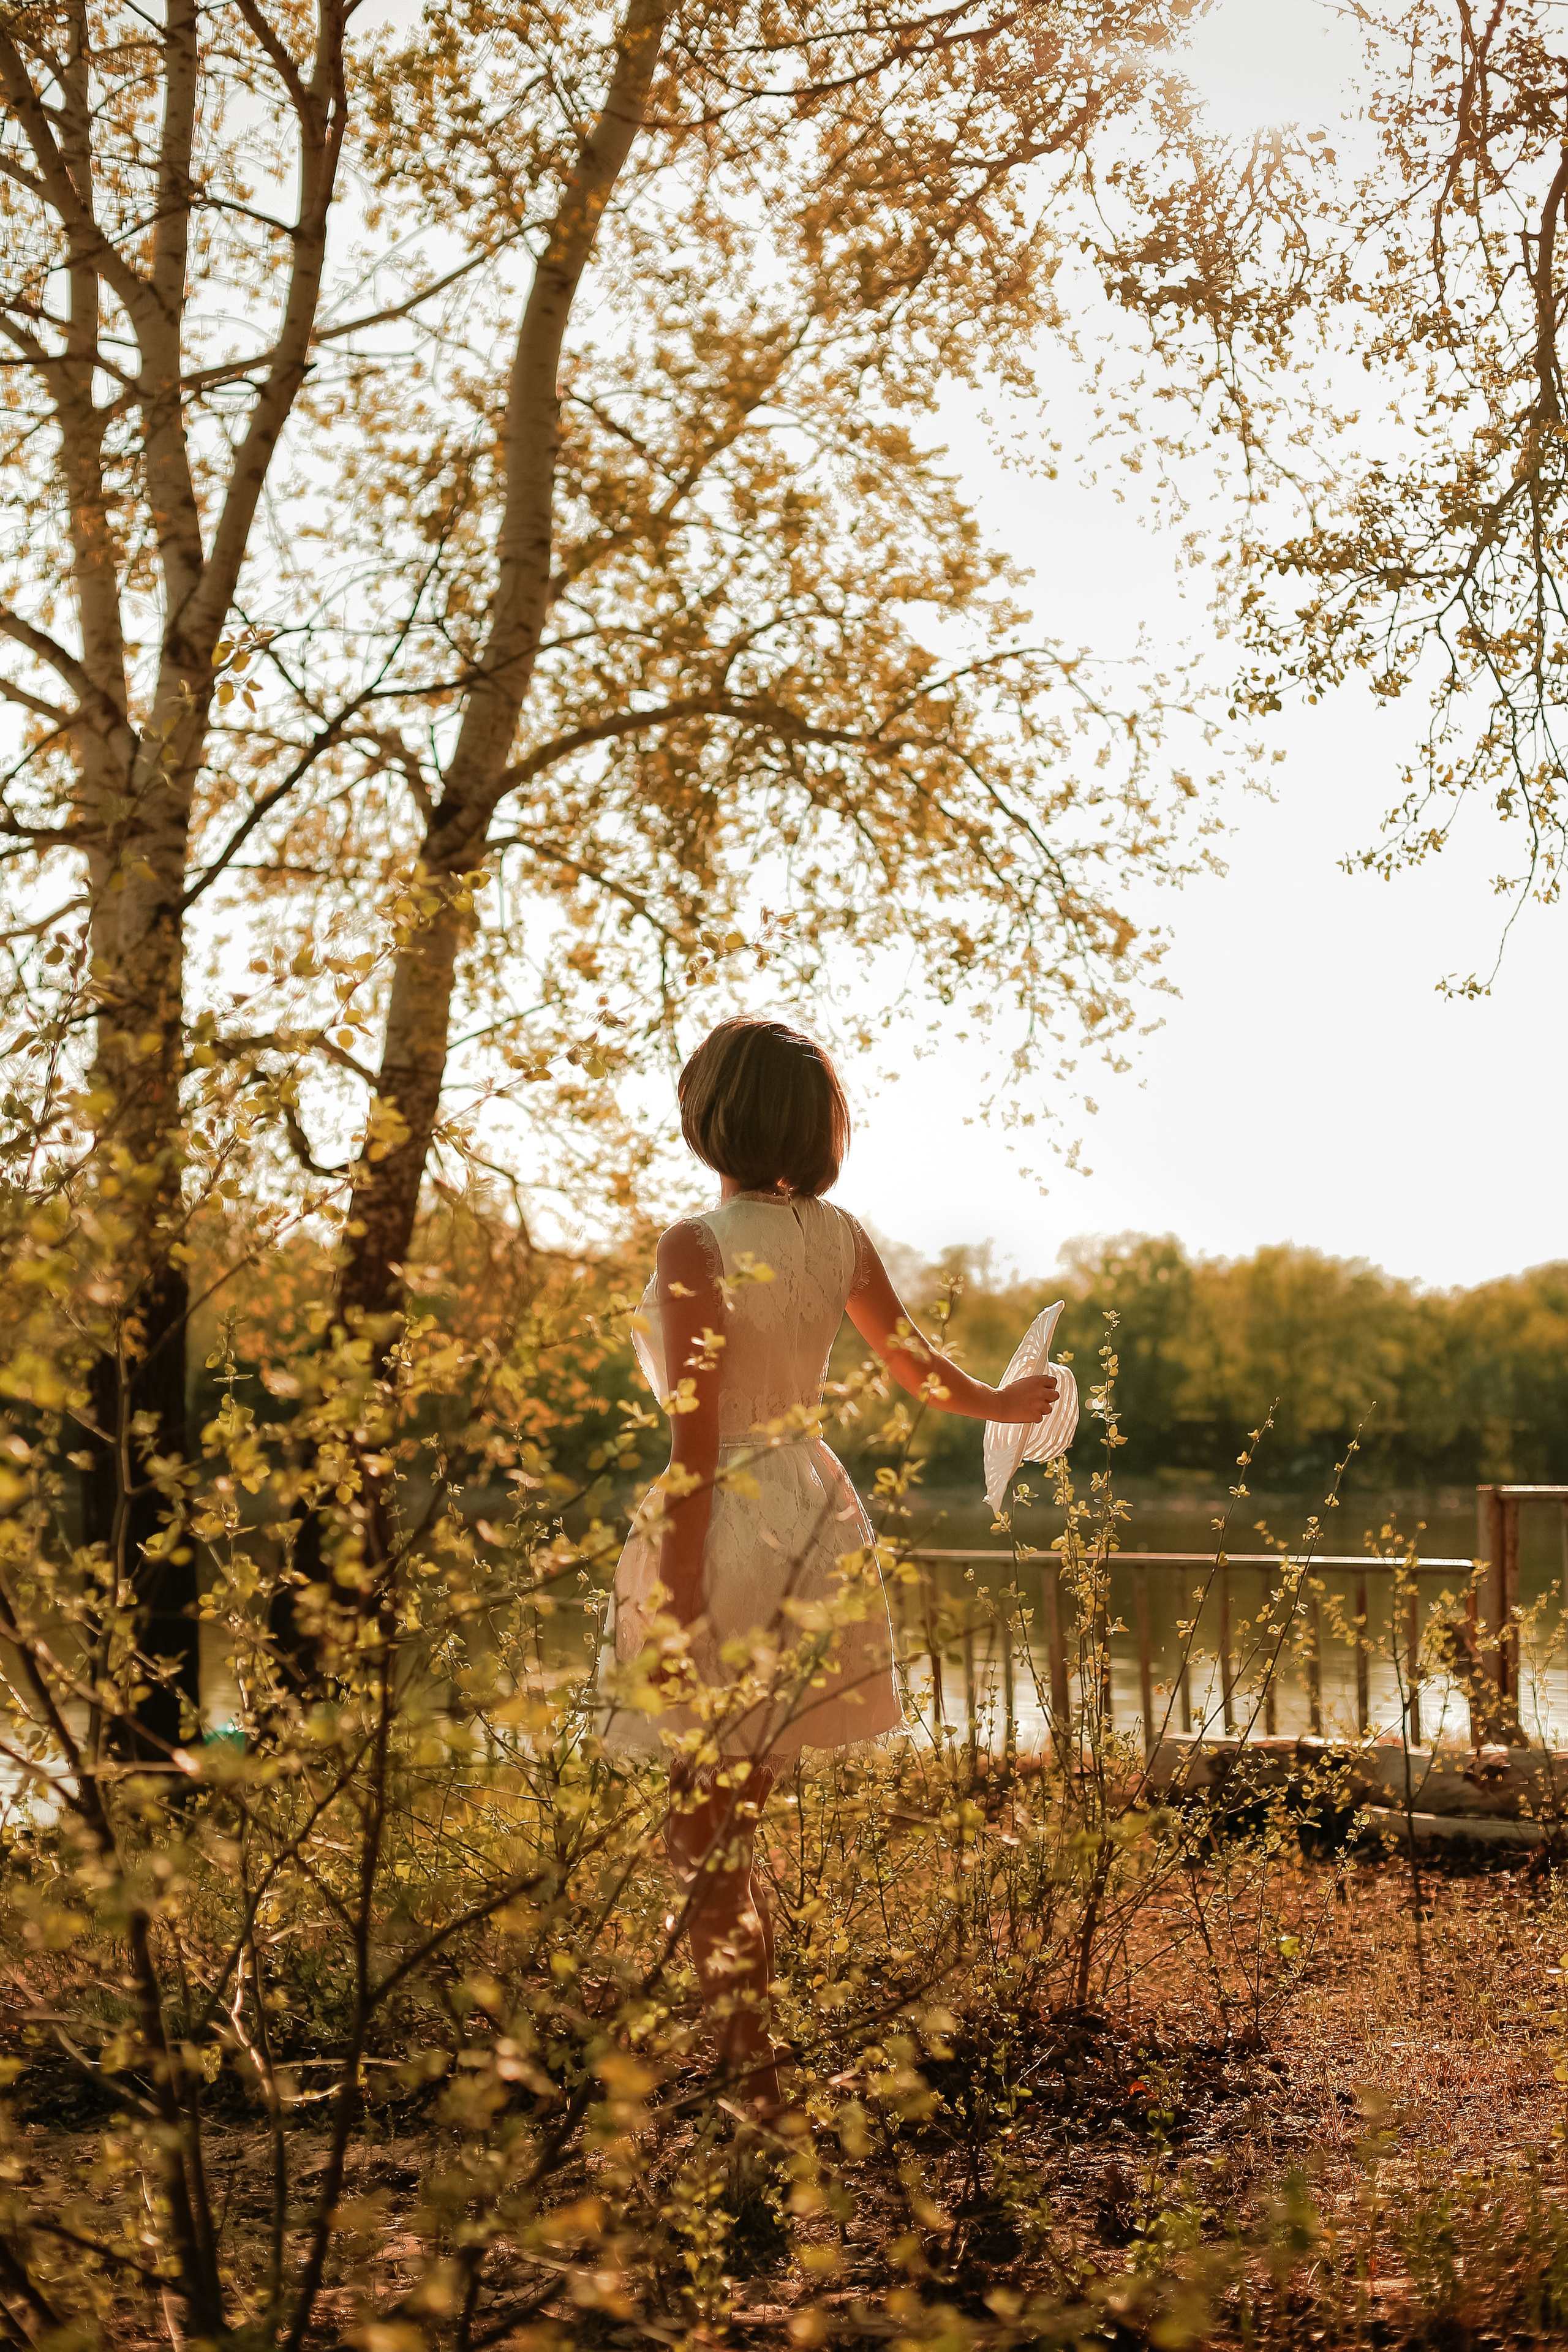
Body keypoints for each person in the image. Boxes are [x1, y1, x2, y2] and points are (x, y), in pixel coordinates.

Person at [601, 1016, 1059, 2116]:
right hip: (812, 1509)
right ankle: (744, 2050)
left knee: (700, 1828)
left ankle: (751, 2078)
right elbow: (917, 1369)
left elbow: (696, 1437)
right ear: (818, 1126)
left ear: (709, 1115)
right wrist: (1005, 1403)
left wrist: (669, 1600)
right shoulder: (839, 1235)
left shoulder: (693, 1245)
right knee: (727, 1817)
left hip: (725, 1519)